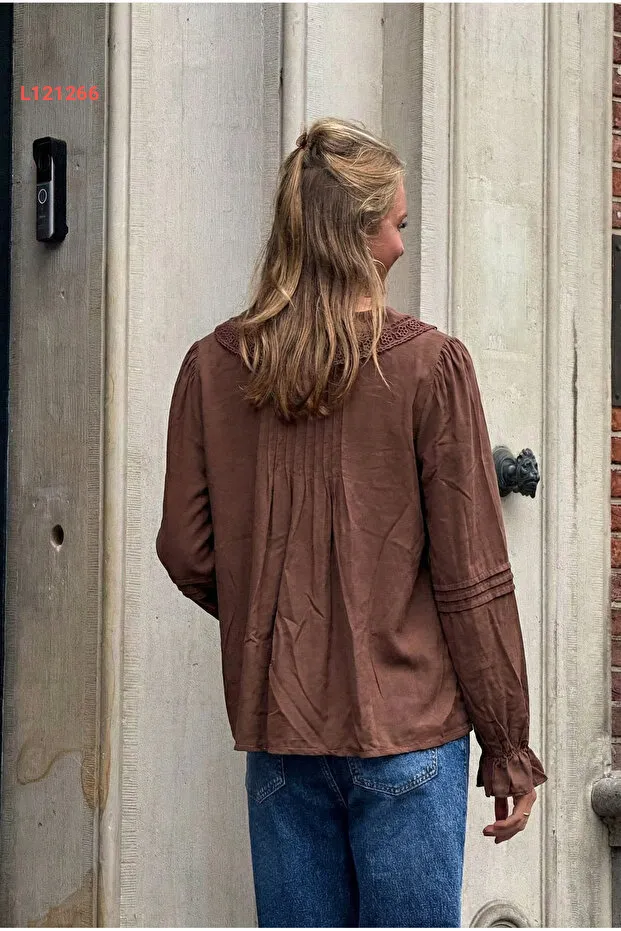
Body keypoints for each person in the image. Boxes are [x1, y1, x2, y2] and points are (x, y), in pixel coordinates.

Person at [156, 116, 547, 929]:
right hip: (409, 733)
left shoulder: (213, 366)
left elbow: (187, 550)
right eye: (395, 224)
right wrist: (508, 745)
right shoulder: (429, 365)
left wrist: (279, 621)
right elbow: (471, 575)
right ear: (356, 236)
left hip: (282, 738)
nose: (401, 244)